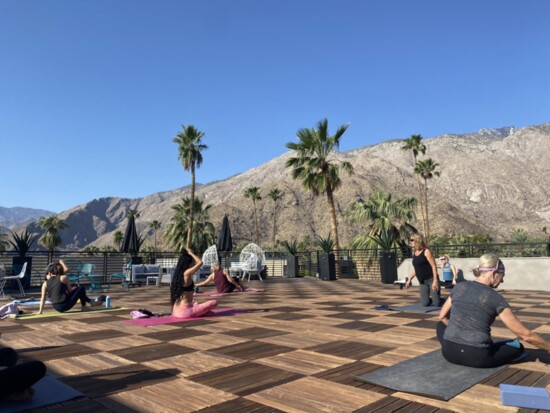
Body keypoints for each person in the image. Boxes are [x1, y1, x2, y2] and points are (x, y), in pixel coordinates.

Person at [437, 253, 550, 368]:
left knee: (440, 325)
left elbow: (442, 316)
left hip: (448, 353)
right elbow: (525, 335)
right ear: (494, 273)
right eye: (502, 275)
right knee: (517, 346)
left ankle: (455, 343)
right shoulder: (496, 298)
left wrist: (459, 333)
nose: (502, 281)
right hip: (477, 357)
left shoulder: (459, 287)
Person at [170, 248, 217, 318]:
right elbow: (200, 262)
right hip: (185, 312)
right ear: (189, 263)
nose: (194, 263)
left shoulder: (179, 275)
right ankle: (199, 312)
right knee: (214, 302)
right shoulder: (186, 273)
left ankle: (200, 312)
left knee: (207, 311)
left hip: (176, 310)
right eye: (193, 262)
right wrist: (191, 253)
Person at [405, 233, 441, 306]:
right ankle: (432, 298)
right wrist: (409, 280)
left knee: (437, 303)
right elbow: (416, 269)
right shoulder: (414, 252)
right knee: (425, 303)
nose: (410, 242)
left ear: (417, 241)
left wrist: (435, 281)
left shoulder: (426, 251)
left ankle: (439, 299)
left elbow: (434, 266)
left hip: (431, 279)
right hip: (422, 282)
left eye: (412, 240)